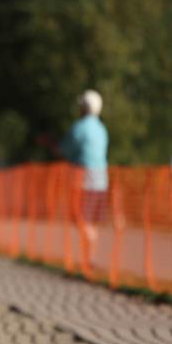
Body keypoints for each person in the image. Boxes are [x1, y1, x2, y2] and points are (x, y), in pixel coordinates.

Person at [61, 89, 109, 261]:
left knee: (80, 217)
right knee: (91, 221)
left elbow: (65, 150)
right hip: (101, 180)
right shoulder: (102, 129)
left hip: (83, 180)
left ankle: (89, 258)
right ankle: (89, 258)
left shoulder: (79, 128)